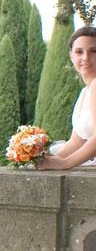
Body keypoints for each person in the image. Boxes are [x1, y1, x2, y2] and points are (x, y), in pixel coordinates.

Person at [38, 26, 96, 170]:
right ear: (71, 56)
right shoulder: (85, 92)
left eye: (94, 51)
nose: (85, 58)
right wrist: (46, 160)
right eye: (79, 52)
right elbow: (77, 141)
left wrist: (65, 163)